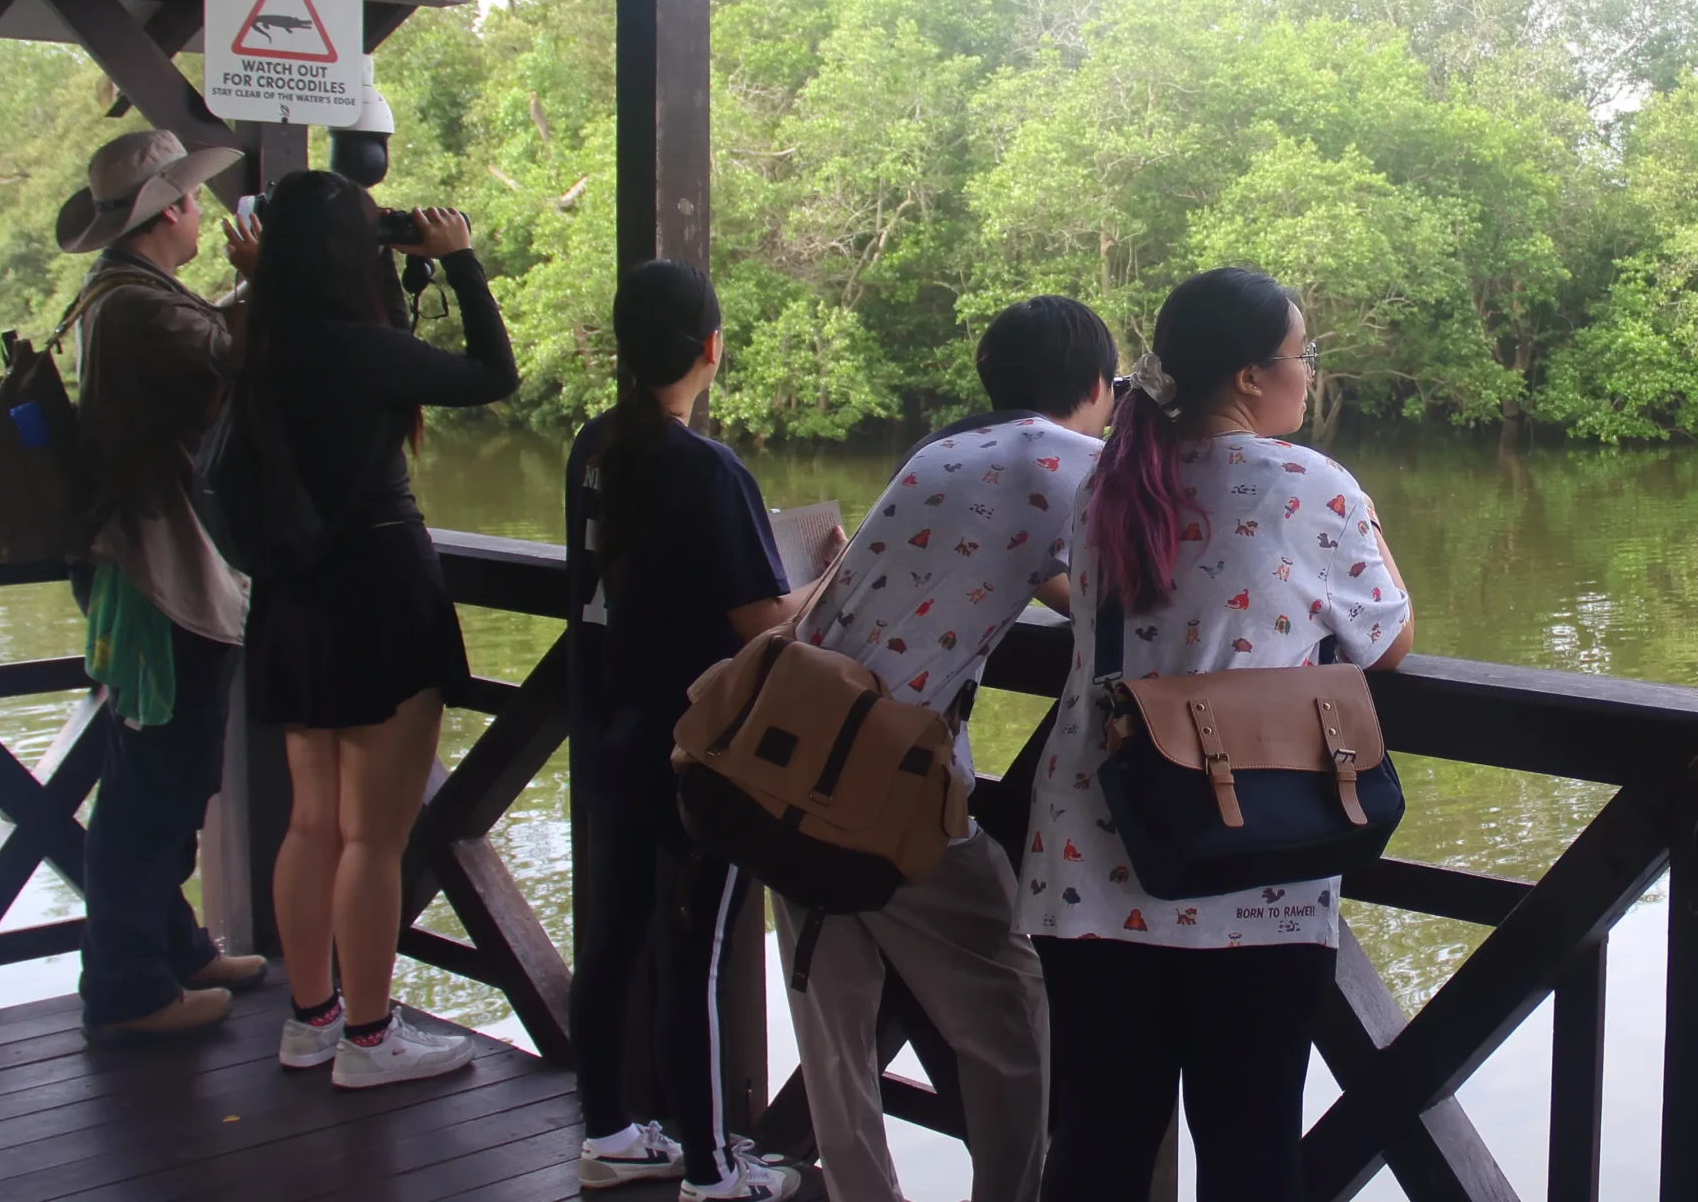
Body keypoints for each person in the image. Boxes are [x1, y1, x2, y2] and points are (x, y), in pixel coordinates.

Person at [1014, 268, 1415, 1202]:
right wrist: (1363, 511)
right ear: (1249, 376)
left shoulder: (1110, 478)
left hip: (1093, 847)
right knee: (1251, 1150)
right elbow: (1390, 639)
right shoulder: (1308, 482)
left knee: (1099, 1144)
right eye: (1302, 354)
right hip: (1249, 852)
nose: (1309, 373)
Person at [775, 296, 1118, 1202]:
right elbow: (1136, 595)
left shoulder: (941, 450)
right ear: (1096, 385)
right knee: (1011, 1008)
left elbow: (1034, 573)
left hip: (788, 750)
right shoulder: (1071, 461)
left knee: (833, 1016)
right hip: (889, 780)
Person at [228, 170, 519, 1089]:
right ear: (354, 254)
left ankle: (312, 1020)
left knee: (312, 821)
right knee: (372, 838)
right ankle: (368, 1036)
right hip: (379, 595)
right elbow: (493, 374)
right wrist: (459, 261)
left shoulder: (260, 341)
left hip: (294, 599)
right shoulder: (360, 350)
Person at [564, 260, 825, 1200]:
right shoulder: (708, 467)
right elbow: (763, 621)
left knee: (610, 942)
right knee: (697, 957)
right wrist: (830, 575)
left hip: (609, 731)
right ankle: (713, 1170)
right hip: (696, 751)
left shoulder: (594, 447)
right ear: (712, 348)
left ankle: (609, 1133)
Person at [62, 129, 269, 1035]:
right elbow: (232, 360)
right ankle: (127, 989)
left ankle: (173, 947)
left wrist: (249, 291)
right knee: (154, 782)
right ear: (171, 210)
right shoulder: (136, 310)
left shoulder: (122, 296)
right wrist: (264, 282)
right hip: (159, 574)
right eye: (191, 201)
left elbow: (209, 346)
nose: (200, 215)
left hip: (154, 565)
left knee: (165, 775)